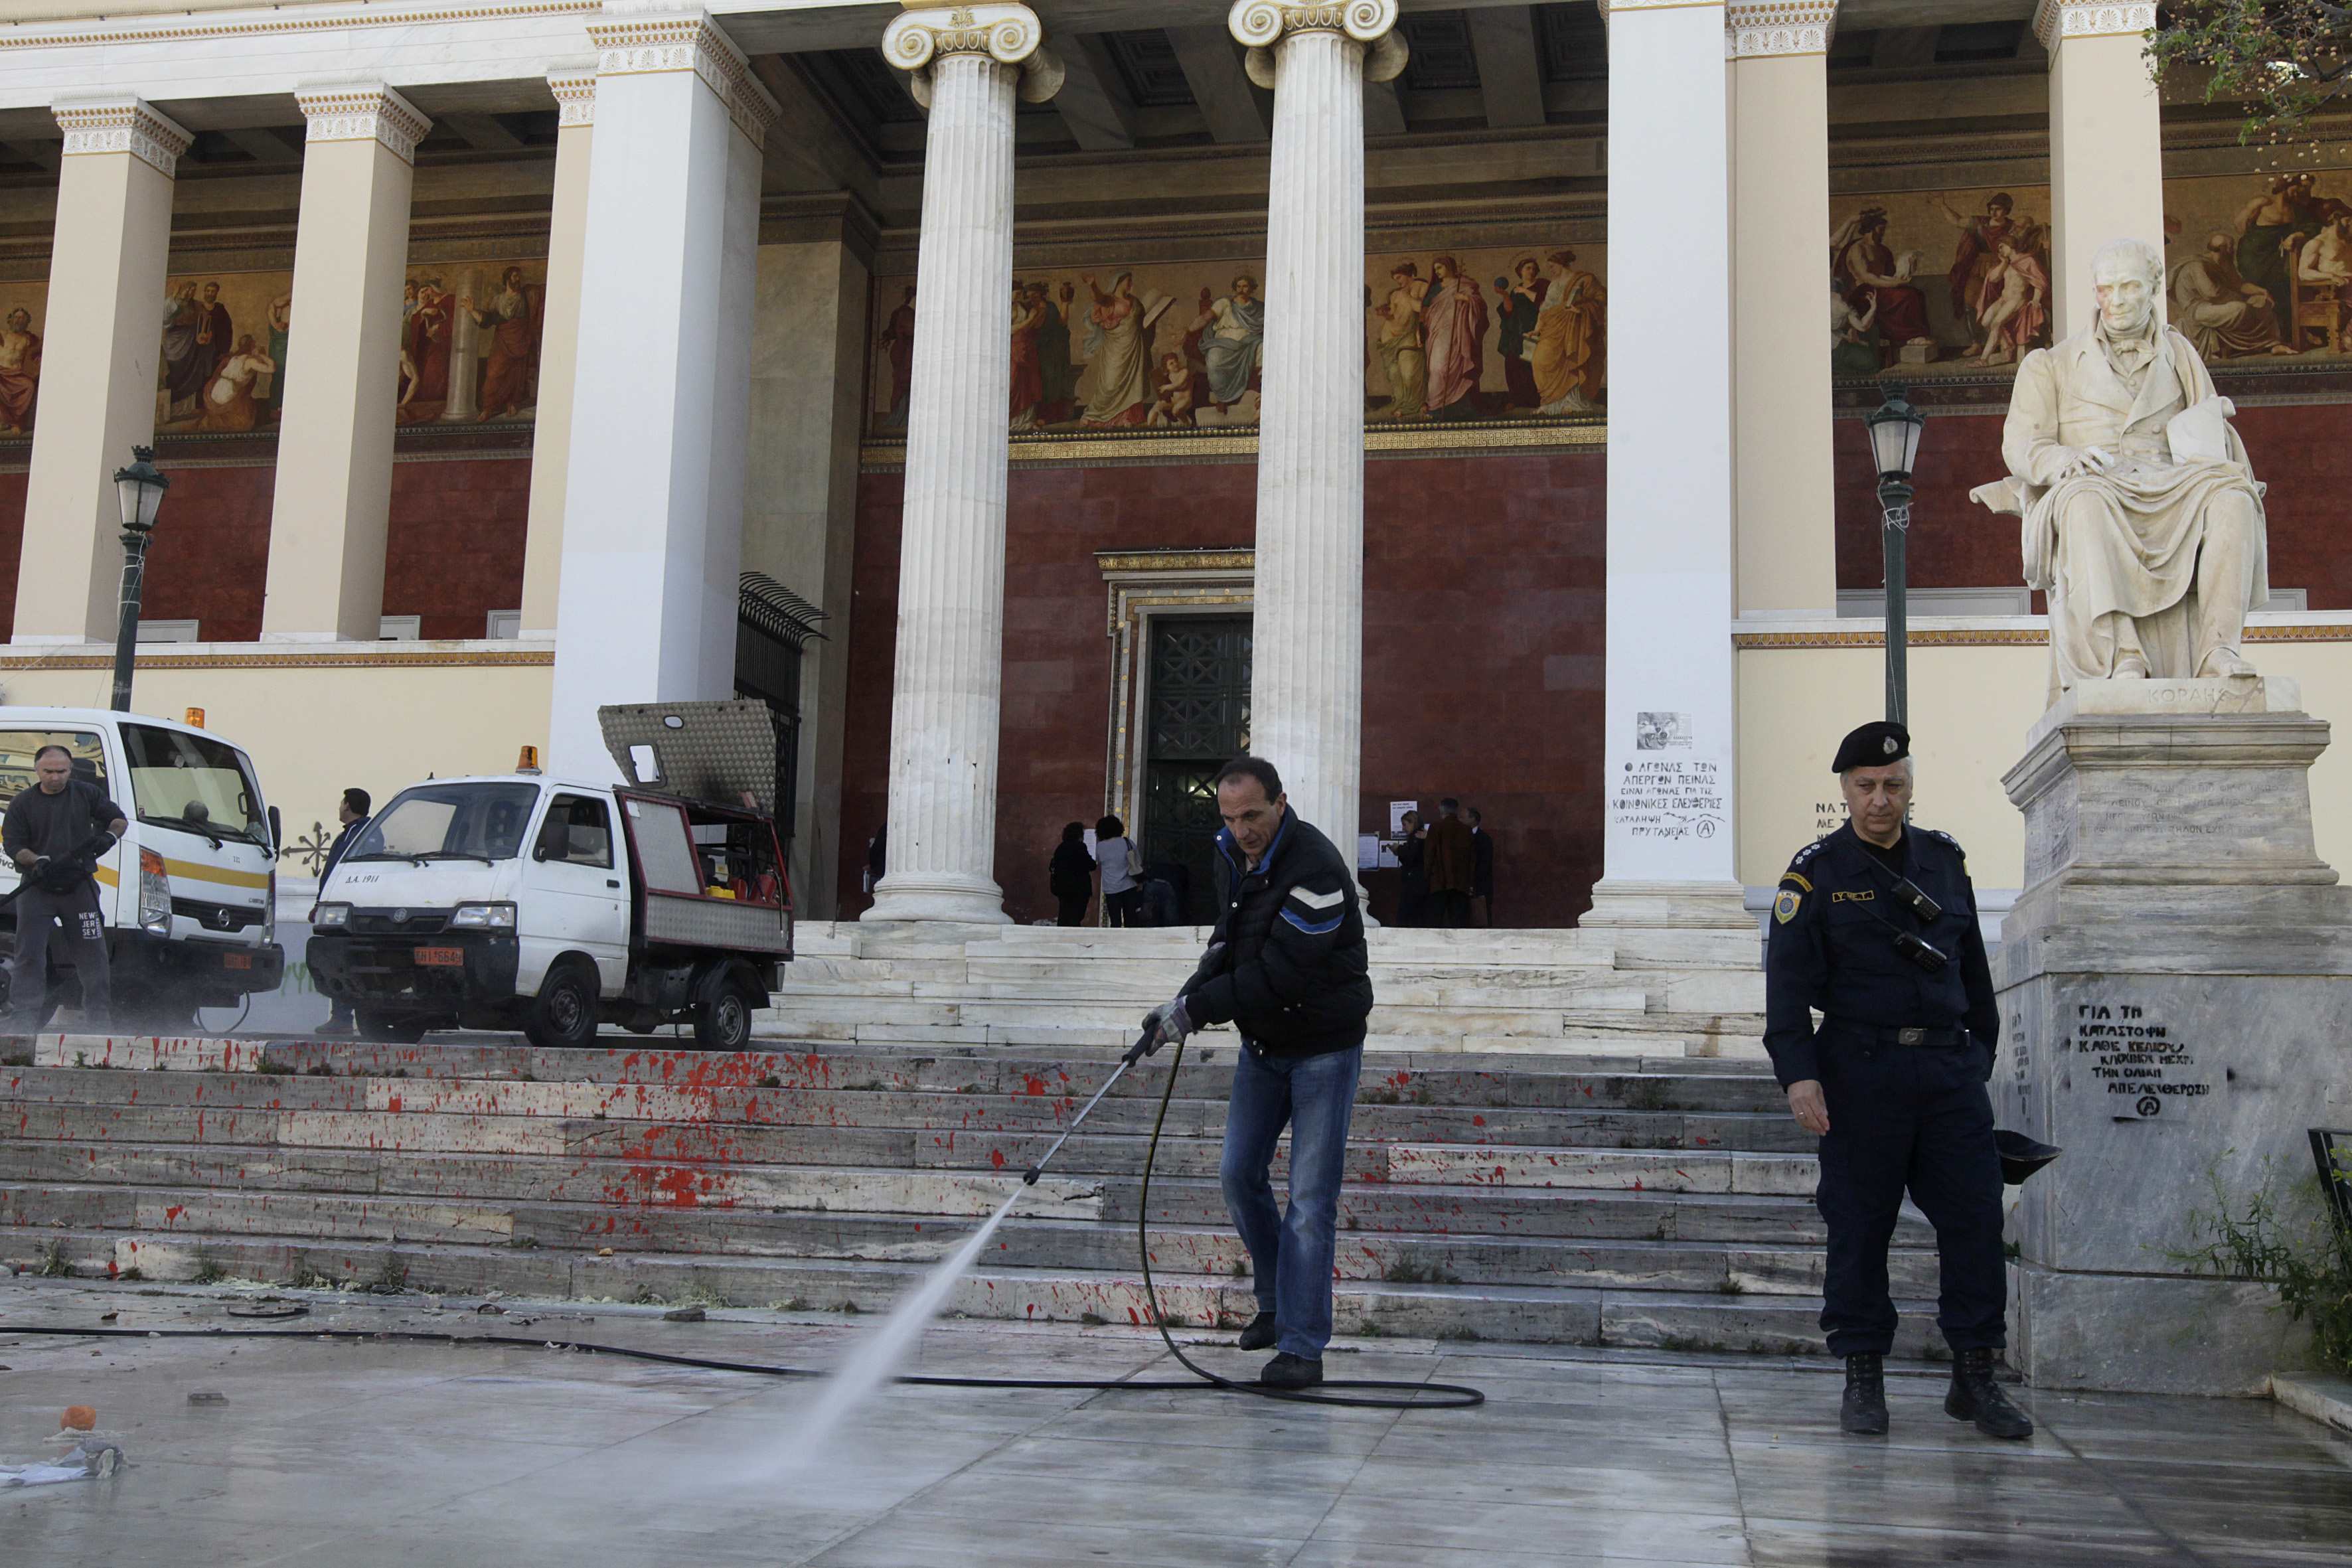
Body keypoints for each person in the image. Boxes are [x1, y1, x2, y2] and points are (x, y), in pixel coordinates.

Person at [1763, 721, 2030, 1443]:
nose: (1880, 798)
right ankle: (1863, 1374)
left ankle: (1975, 1375)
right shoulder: (1813, 873)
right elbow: (1785, 992)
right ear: (1845, 790)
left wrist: (1978, 1057)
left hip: (1947, 1073)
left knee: (1976, 1220)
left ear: (1909, 787)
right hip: (1860, 1071)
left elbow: (1975, 971)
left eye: (1893, 784)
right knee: (1860, 1225)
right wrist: (1800, 1078)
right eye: (1866, 786)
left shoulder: (1944, 862)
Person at [1137, 755, 1372, 1390]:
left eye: (1253, 816)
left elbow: (1279, 973)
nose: (1242, 830)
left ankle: (1301, 1348)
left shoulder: (1317, 870)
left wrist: (1198, 1011)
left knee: (1309, 1204)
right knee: (1238, 1174)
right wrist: (1183, 998)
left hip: (1323, 1046)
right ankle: (1275, 1305)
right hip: (1265, 1046)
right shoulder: (1230, 852)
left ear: (1281, 803)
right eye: (1230, 818)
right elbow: (1232, 938)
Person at [1975, 237, 2270, 692]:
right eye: (2104, 289)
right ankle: (2122, 657)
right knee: (2084, 502)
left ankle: (2218, 652)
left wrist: (2217, 444)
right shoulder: (2049, 364)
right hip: (2093, 479)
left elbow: (2206, 419)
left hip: (2173, 480)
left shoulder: (2180, 354)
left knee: (2231, 497)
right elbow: (2021, 444)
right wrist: (2066, 458)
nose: (2114, 300)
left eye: (2128, 287)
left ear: (2153, 288)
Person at [2, 745, 129, 1032]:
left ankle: (99, 1018)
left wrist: (109, 836)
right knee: (29, 955)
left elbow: (119, 819)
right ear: (36, 770)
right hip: (37, 889)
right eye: (49, 771)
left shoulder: (86, 794)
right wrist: (37, 861)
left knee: (92, 954)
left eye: (62, 771)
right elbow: (13, 844)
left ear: (70, 770)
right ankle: (23, 1019)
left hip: (80, 888)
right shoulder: (22, 803)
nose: (56, 777)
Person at [2171, 233, 2291, 360]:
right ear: (2222, 250)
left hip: (2219, 305)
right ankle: (2245, 347)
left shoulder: (2224, 263)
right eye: (2231, 248)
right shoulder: (2197, 266)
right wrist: (2240, 298)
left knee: (2262, 302)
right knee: (2241, 309)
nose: (2233, 251)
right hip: (2198, 309)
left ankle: (2273, 345)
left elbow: (2240, 285)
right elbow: (2213, 294)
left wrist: (2262, 291)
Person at [315, 789, 373, 1035]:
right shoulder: (352, 834)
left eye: (342, 802)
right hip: (336, 909)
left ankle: (342, 1017)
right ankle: (341, 1016)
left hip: (348, 911)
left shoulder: (361, 835)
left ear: (348, 806)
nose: (339, 807)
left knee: (342, 962)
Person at [1492, 258, 1549, 410]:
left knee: (1533, 364)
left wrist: (1524, 291)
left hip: (1537, 327)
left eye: (1533, 268)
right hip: (1517, 332)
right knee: (1513, 364)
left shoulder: (1543, 284)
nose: (1532, 271)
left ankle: (1538, 400)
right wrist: (1505, 295)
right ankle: (1517, 400)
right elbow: (1509, 311)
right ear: (1521, 271)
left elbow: (1544, 303)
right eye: (1528, 268)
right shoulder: (1515, 289)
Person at [1422, 797, 1475, 929]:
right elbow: (1472, 859)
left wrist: (1427, 876)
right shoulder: (1467, 830)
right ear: (1457, 811)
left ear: (1441, 811)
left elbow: (1429, 855)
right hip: (1460, 883)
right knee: (1457, 921)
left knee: (1435, 920)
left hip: (1439, 882)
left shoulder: (1436, 828)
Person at [1093, 813, 1143, 927]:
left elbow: (1098, 862)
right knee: (1131, 920)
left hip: (1111, 889)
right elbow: (1139, 862)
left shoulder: (1100, 847)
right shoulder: (1127, 842)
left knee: (1115, 922)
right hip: (1129, 886)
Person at [1048, 821, 1094, 928]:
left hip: (1063, 887)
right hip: (1080, 888)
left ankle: (1062, 937)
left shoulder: (1061, 848)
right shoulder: (1080, 847)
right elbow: (1091, 865)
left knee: (1064, 914)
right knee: (1076, 915)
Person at [1392, 809, 1427, 927]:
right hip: (1417, 881)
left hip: (1414, 882)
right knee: (1417, 916)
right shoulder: (1418, 836)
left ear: (1413, 823)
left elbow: (1412, 856)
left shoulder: (1418, 837)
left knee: (1405, 914)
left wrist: (1399, 849)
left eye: (1405, 825)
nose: (1403, 829)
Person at [1466, 806, 1494, 927]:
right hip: (1470, 886)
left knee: (1481, 920)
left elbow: (1484, 864)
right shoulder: (1465, 836)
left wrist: (1473, 884)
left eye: (1463, 817)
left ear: (1472, 819)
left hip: (1480, 887)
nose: (1460, 819)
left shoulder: (1483, 838)